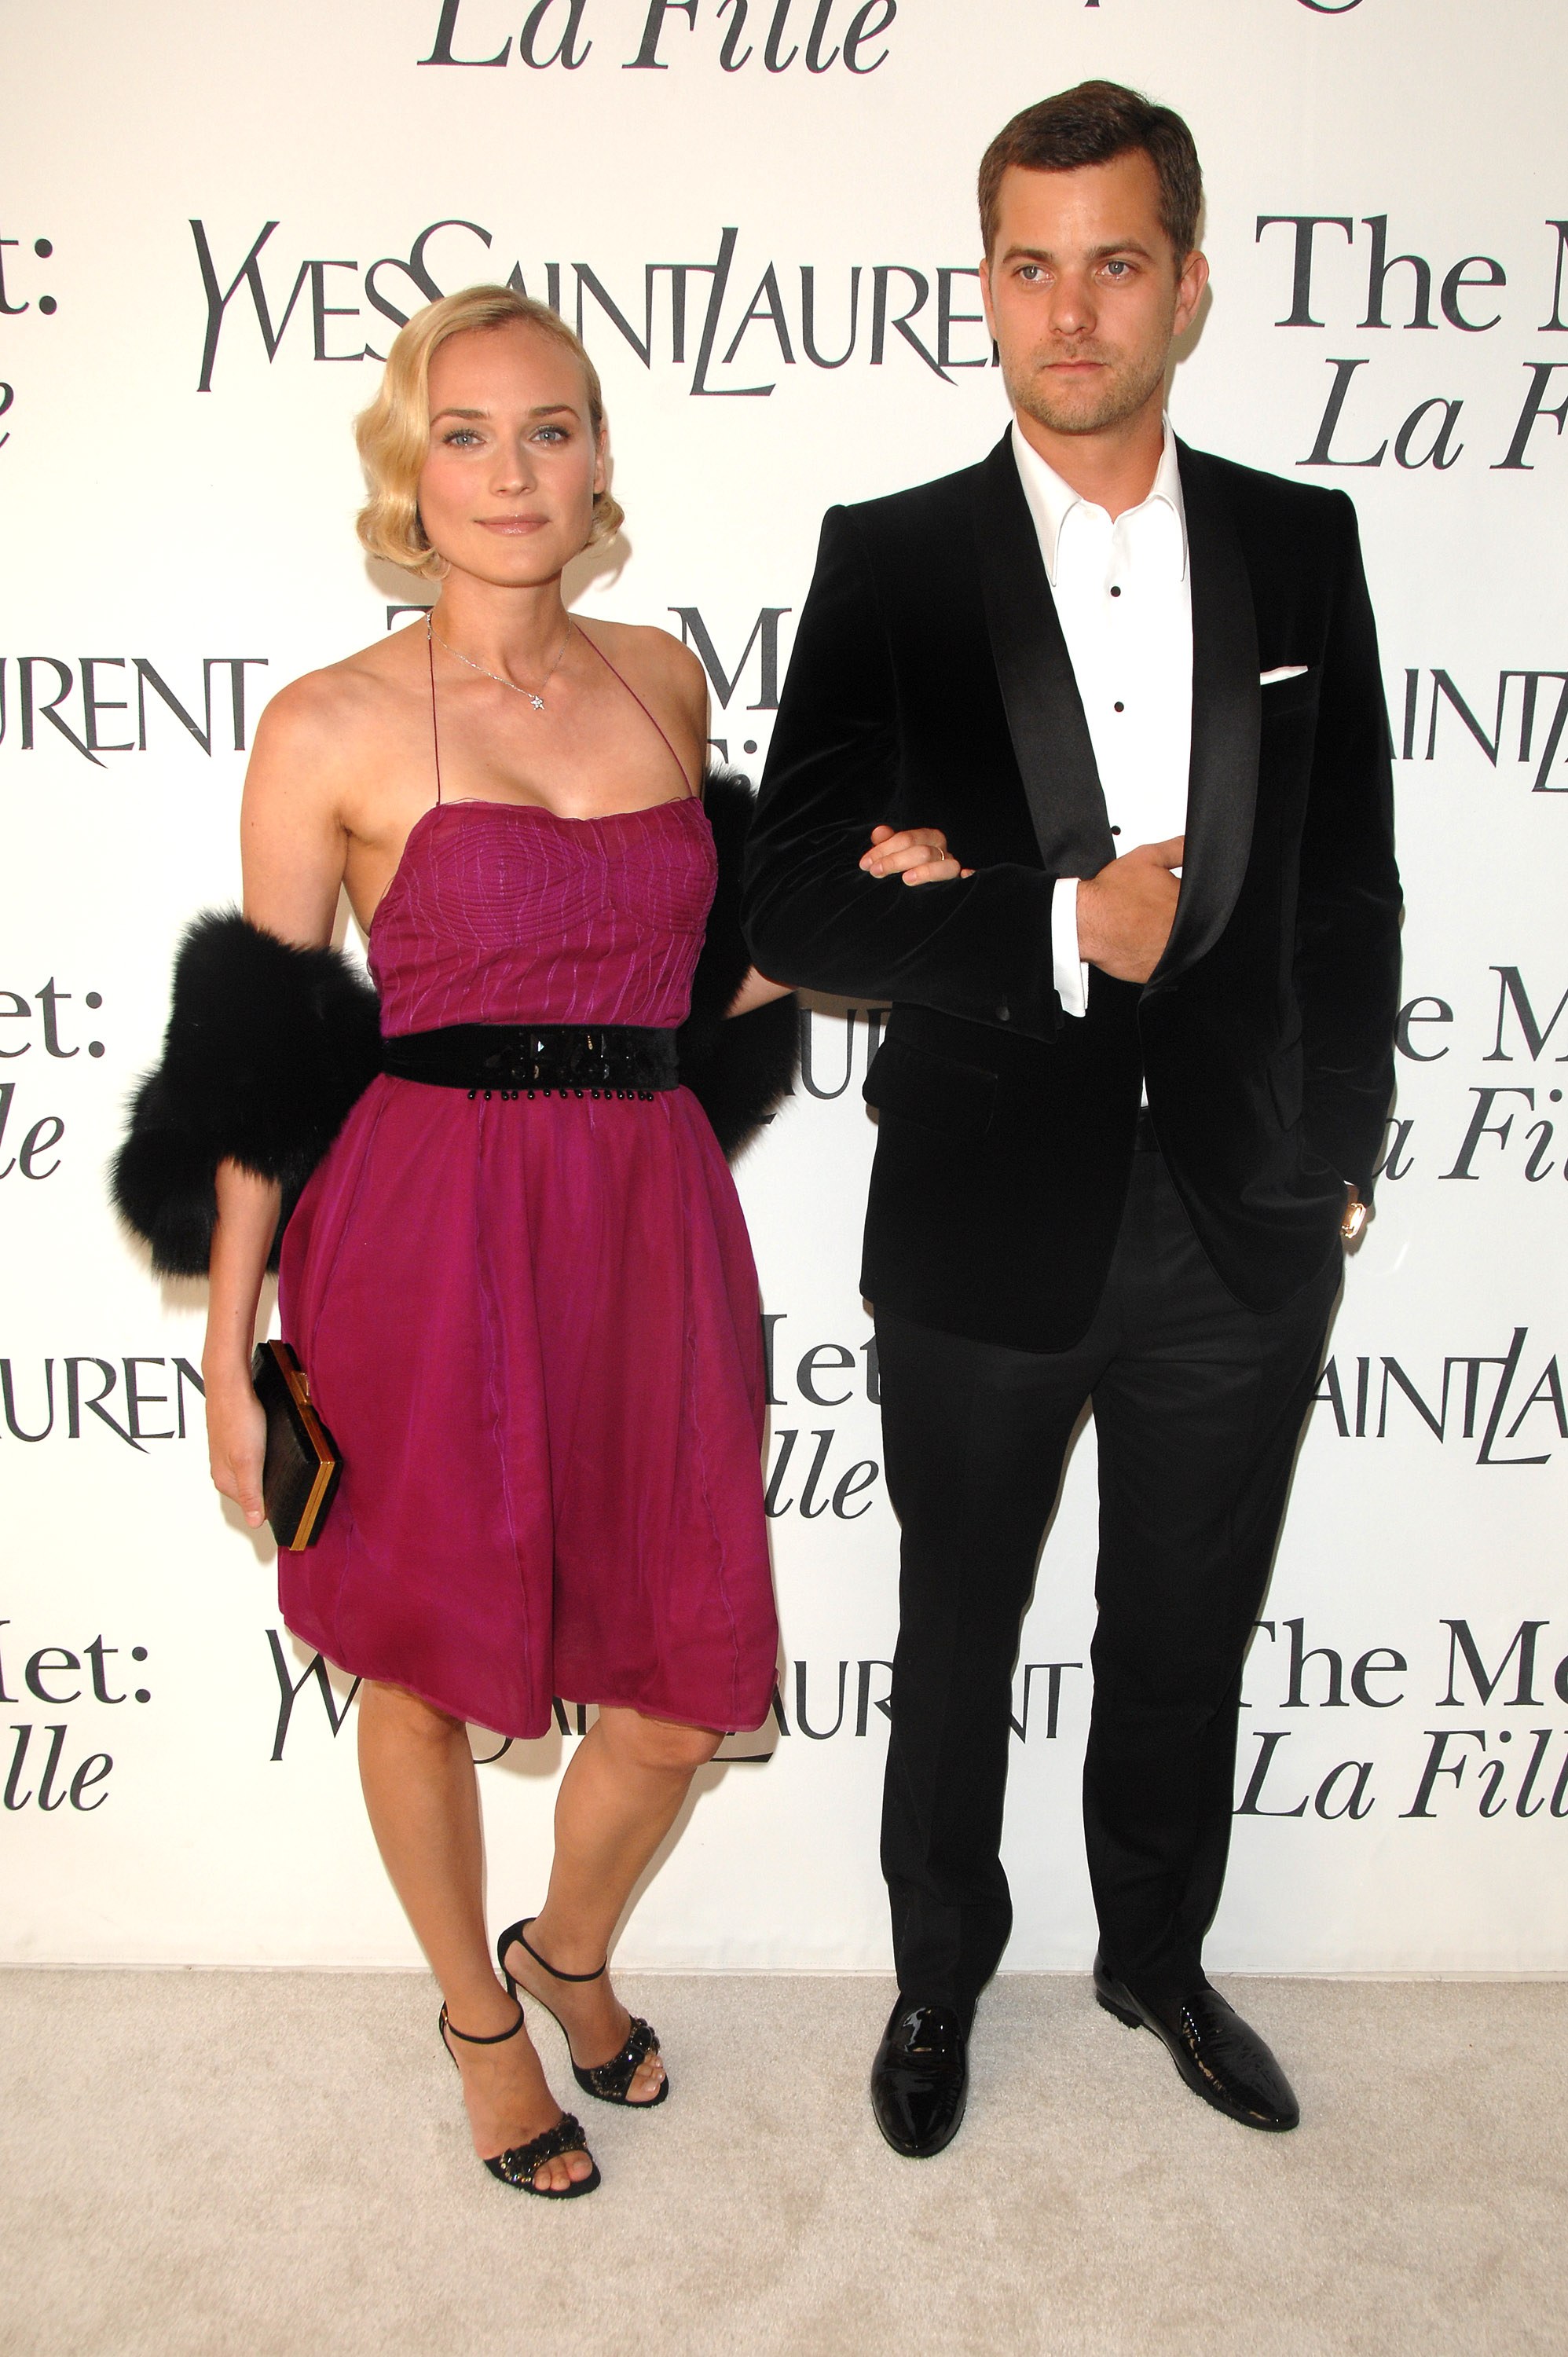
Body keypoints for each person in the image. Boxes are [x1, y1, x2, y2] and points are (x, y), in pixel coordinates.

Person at [743, 82, 1401, 2156]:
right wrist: (1046, 921)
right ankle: (937, 1979)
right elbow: (786, 901)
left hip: (1237, 1212)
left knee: (1183, 1629)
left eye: (1112, 262)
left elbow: (1347, 885)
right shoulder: (889, 559)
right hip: (977, 1206)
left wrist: (1335, 1153)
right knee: (956, 1633)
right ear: (985, 287)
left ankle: (1157, 1961)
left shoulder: (1298, 546)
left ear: (1185, 285)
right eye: (1028, 266)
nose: (1069, 309)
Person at [114, 286, 797, 2198]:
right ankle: (480, 2020)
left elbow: (694, 981)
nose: (511, 473)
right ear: (409, 472)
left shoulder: (661, 679)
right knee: (414, 1666)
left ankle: (564, 1953)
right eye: (468, 434)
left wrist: (872, 915)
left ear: (598, 463)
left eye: (549, 429)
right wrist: (230, 1356)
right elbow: (258, 1065)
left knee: (682, 1687)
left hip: (647, 1227)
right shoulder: (322, 723)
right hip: (422, 1237)